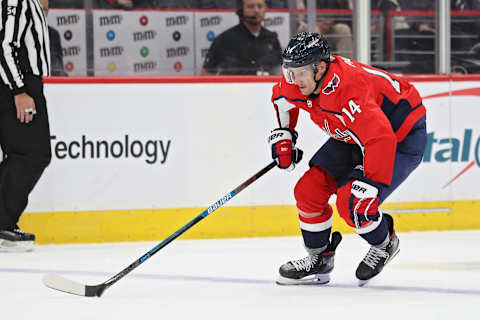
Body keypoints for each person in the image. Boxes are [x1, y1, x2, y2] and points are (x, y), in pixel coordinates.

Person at [268, 32, 426, 285]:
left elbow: (381, 138)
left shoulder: (349, 90)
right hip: (355, 136)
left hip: (399, 137)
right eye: (290, 72)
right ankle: (320, 258)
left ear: (319, 68)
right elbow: (282, 100)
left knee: (354, 203)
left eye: (299, 72)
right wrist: (285, 134)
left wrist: (372, 184)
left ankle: (385, 244)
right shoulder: (299, 79)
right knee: (308, 191)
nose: (293, 79)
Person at [0, 0, 52, 251]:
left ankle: (4, 221)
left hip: (22, 83)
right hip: (17, 85)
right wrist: (19, 89)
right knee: (32, 153)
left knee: (26, 153)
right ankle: (2, 223)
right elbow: (4, 45)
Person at [201, 0, 282, 75]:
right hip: (233, 89)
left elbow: (279, 71)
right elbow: (206, 73)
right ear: (241, 10)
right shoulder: (224, 40)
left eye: (260, 6)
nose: (256, 11)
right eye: (251, 7)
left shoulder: (271, 39)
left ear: (265, 9)